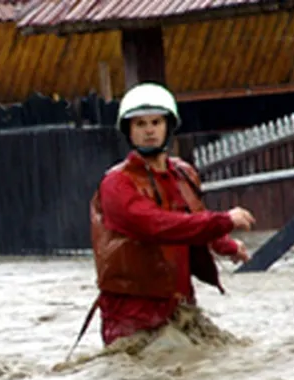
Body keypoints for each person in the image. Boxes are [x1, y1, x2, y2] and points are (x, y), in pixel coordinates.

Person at [89, 82, 256, 345]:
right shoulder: (116, 184)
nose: (149, 131)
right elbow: (156, 225)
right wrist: (223, 221)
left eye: (156, 122)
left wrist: (226, 245)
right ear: (129, 131)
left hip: (179, 304)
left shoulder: (183, 173)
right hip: (132, 315)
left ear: (168, 126)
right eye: (140, 124)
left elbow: (193, 219)